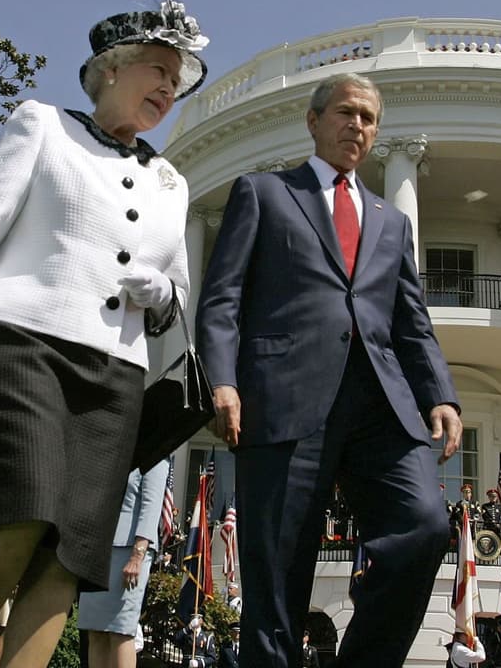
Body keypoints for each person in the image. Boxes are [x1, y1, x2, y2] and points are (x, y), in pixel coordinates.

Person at [0, 0, 206, 668]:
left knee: (71, 553)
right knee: (22, 514)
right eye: (158, 69)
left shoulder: (173, 183)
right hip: (27, 346)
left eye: (178, 79)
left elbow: (179, 293)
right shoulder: (43, 125)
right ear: (110, 68)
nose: (169, 87)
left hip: (116, 372)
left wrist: (161, 291)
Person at [196, 71, 462, 665]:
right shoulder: (263, 192)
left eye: (368, 118)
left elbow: (410, 320)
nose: (358, 126)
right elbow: (221, 298)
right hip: (283, 400)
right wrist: (222, 379)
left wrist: (439, 393)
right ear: (314, 121)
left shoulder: (391, 221)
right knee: (277, 578)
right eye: (346, 112)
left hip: (380, 405)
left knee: (423, 527)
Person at [76, 461, 168, 668]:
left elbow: (151, 506)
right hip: (97, 550)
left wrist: (137, 556)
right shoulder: (115, 446)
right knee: (95, 630)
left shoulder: (157, 454)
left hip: (129, 552)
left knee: (121, 630)